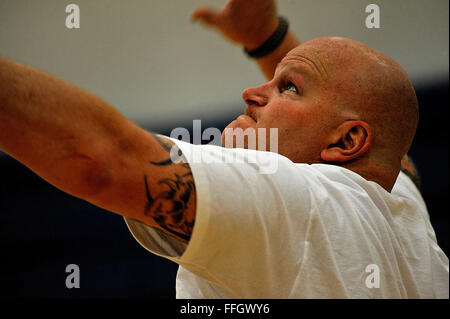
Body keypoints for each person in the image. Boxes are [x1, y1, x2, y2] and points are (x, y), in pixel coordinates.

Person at [0, 0, 448, 298]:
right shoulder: (401, 209)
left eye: (287, 87)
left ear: (347, 141)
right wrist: (266, 38)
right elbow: (389, 149)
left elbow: (103, 161)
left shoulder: (294, 199)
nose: (251, 91)